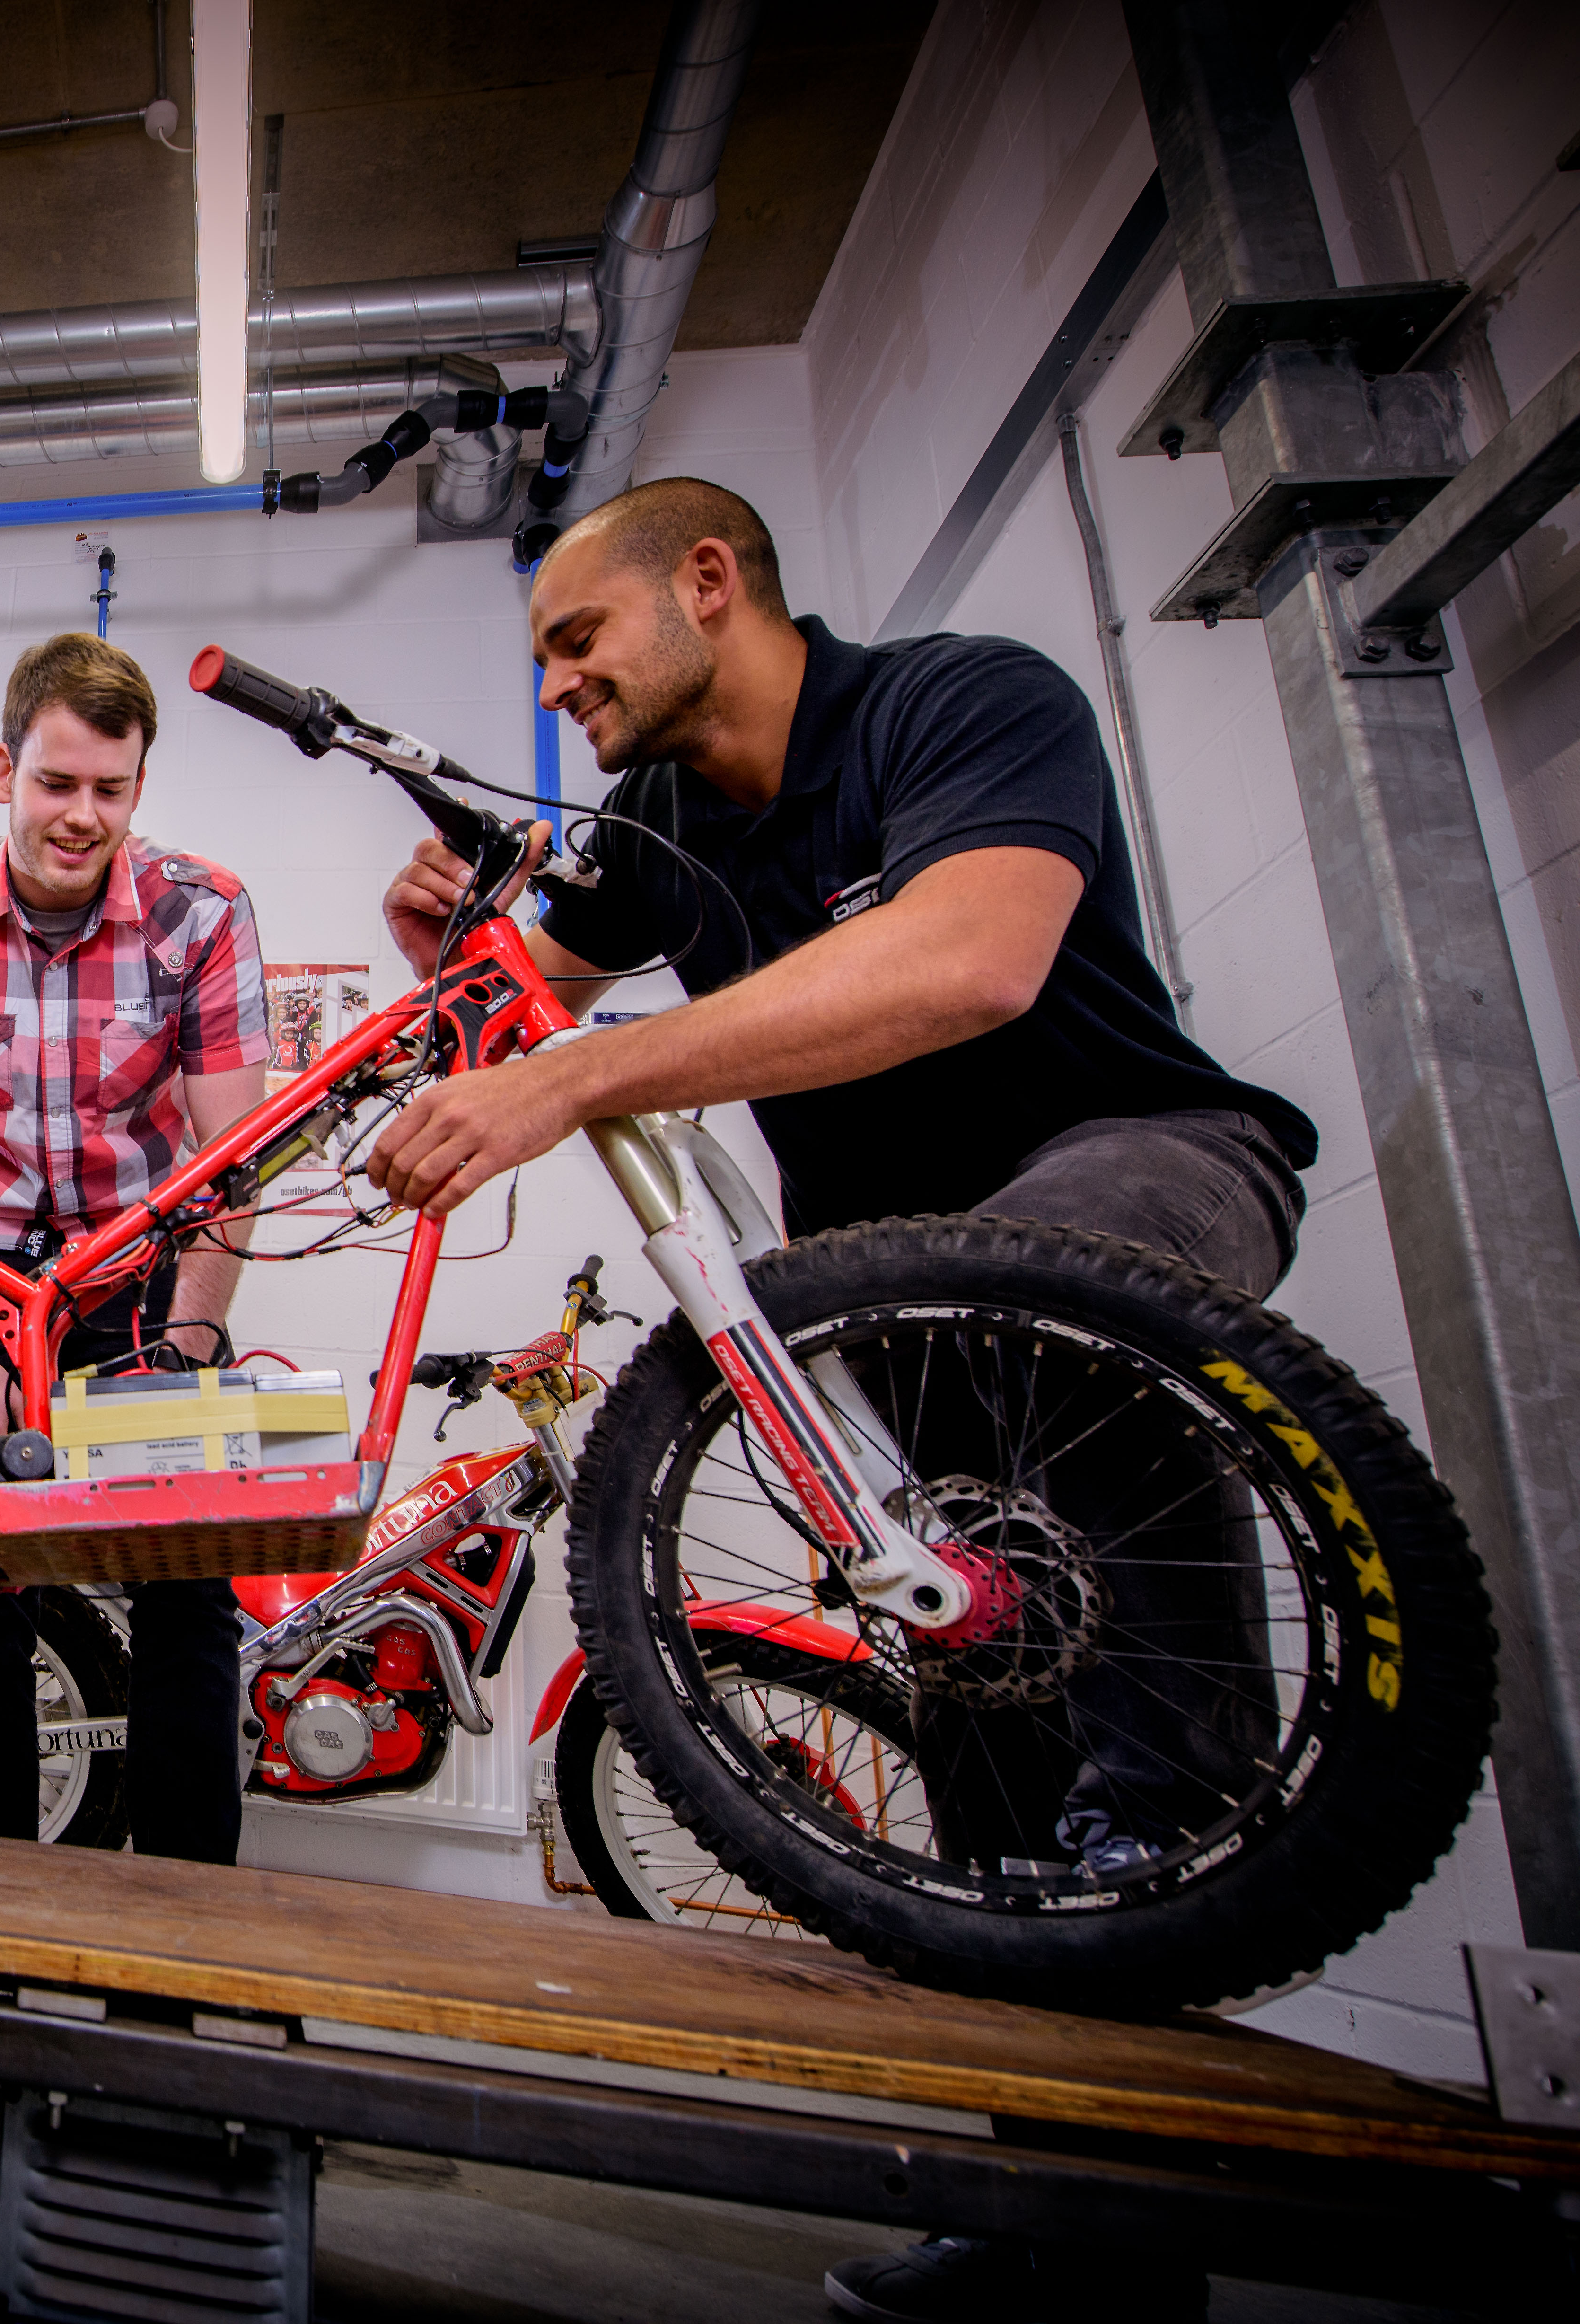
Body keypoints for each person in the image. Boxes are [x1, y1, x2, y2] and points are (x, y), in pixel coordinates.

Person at [367, 476, 1311, 2324]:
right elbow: (515, 1020)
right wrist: (453, 966)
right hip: (897, 1297)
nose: (554, 679)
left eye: (577, 636)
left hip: (1139, 1163)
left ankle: (1181, 1814)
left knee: (1052, 1315)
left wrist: (591, 1071)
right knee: (974, 1724)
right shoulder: (645, 831)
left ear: (706, 582)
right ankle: (1058, 2233)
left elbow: (972, 959)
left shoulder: (956, 701)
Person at [0, 632, 271, 1865]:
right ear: (4, 772)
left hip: (147, 1291)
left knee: (188, 1599)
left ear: (138, 788)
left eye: (109, 790)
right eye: (56, 783)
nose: (81, 817)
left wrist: (185, 1343)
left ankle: (177, 1954)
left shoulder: (207, 913)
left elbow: (226, 1161)